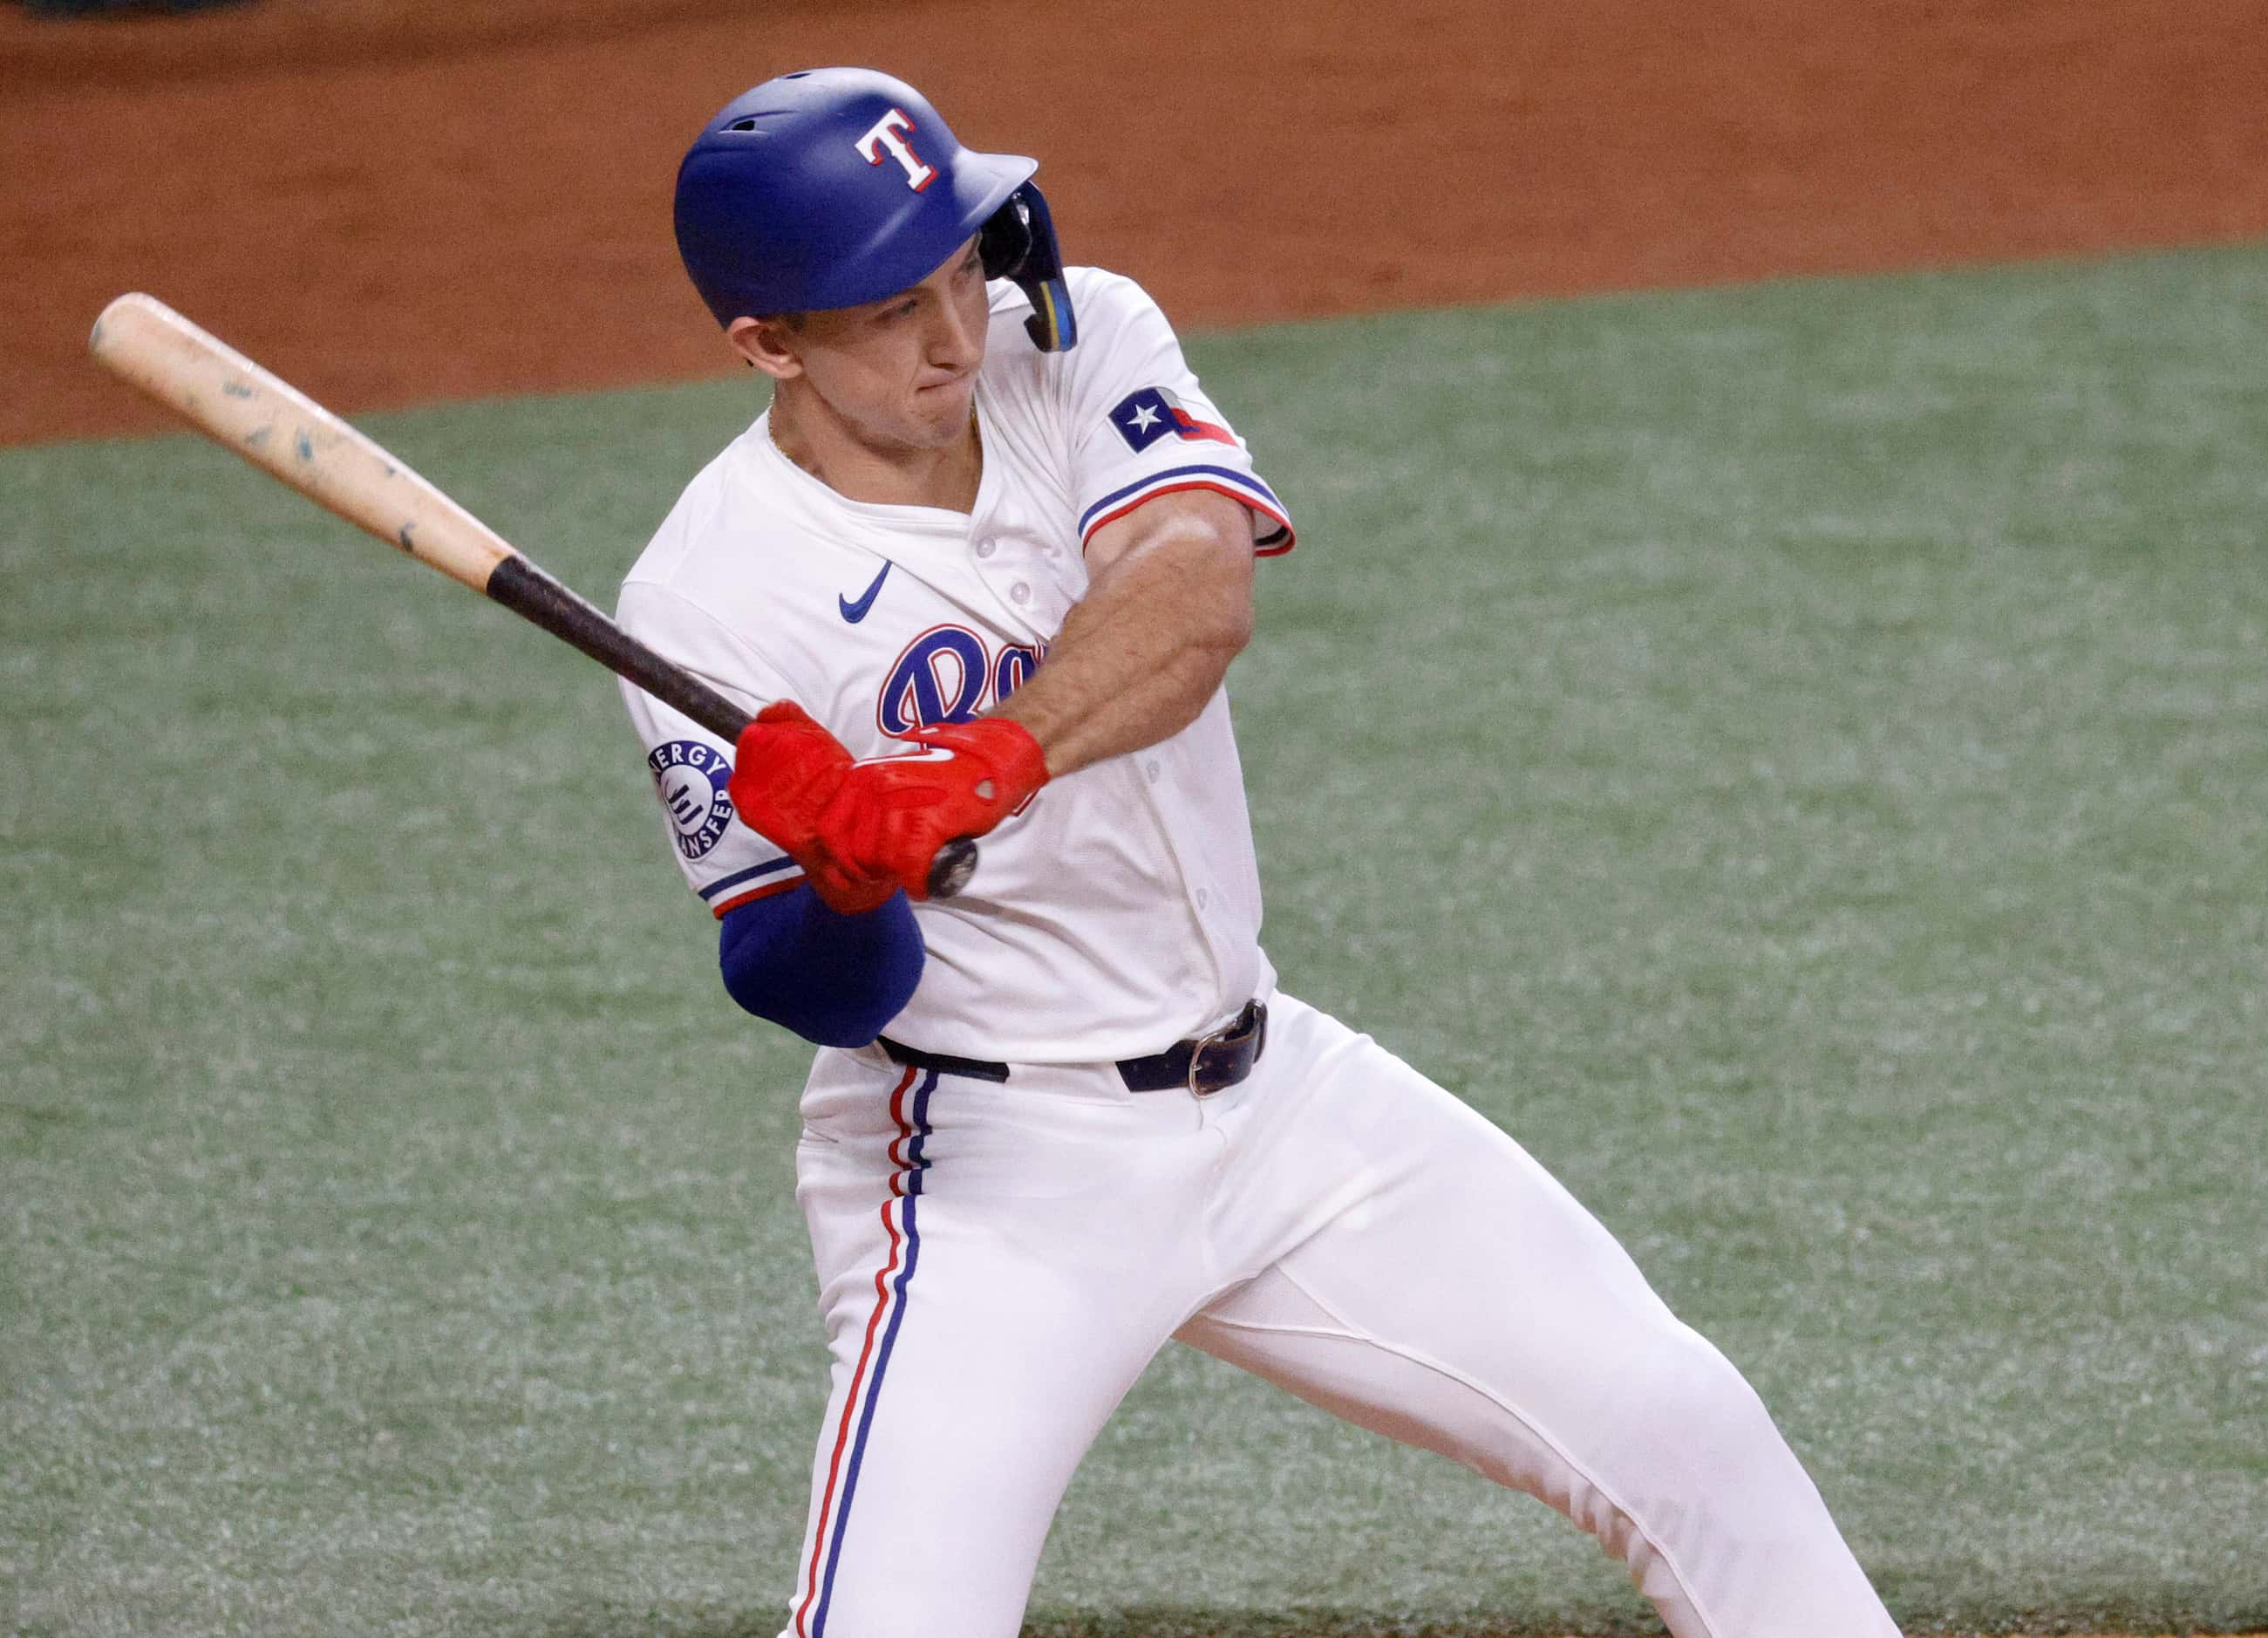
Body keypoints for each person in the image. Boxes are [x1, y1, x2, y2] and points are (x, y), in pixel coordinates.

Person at [616, 65, 1901, 1638]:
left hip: (1278, 1094)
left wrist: (972, 764)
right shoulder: (706, 596)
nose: (957, 333)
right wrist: (842, 872)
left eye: (958, 264)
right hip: (998, 1169)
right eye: (891, 310)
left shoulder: (1079, 342)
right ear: (768, 343)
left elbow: (1190, 588)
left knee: (1688, 1433)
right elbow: (806, 982)